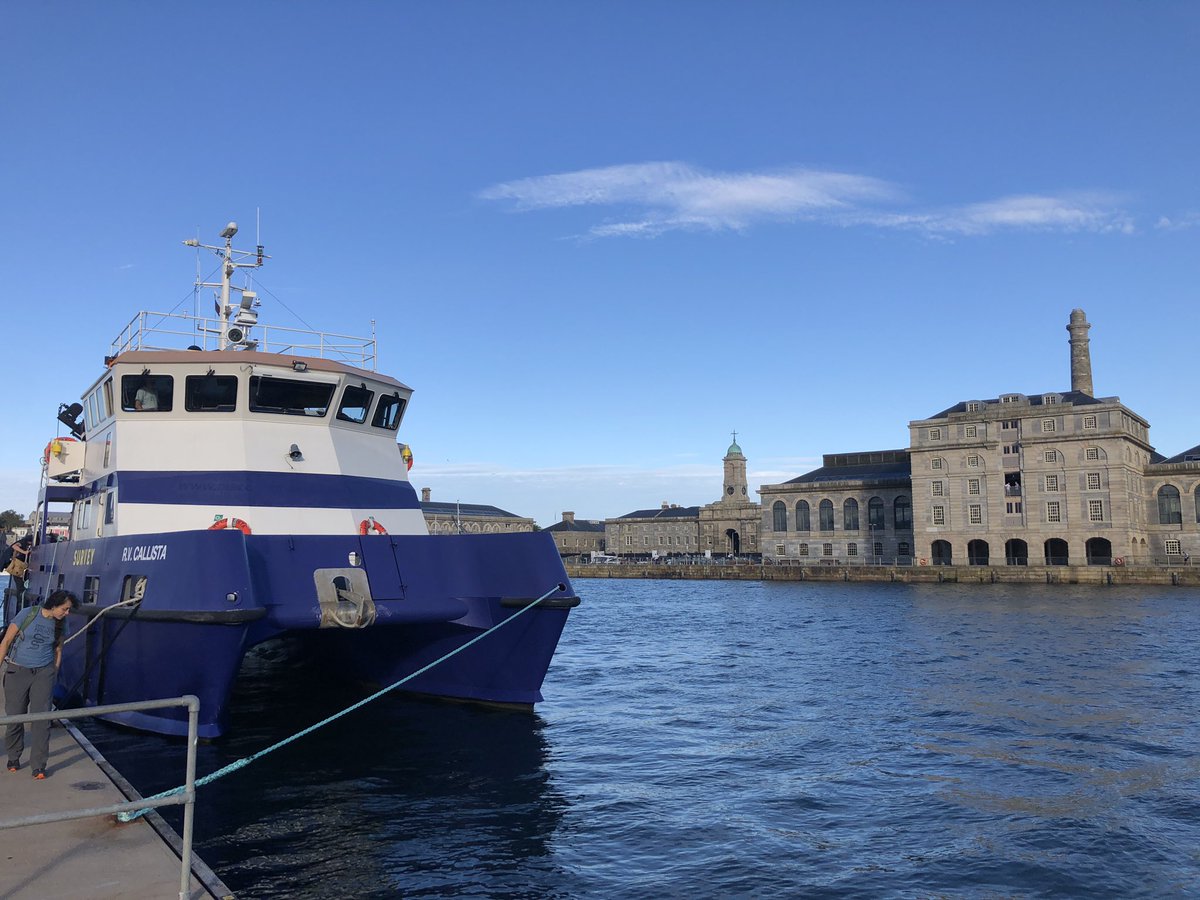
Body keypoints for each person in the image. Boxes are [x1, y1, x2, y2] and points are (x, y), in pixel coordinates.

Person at [2, 590, 77, 779]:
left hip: (43, 673)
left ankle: (39, 766)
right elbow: (6, 641)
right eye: (65, 609)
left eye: (69, 610)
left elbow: (59, 649)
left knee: (42, 721)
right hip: (17, 671)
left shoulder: (61, 623)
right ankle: (13, 756)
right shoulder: (27, 614)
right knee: (15, 717)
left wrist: (54, 672)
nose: (67, 613)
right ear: (53, 605)